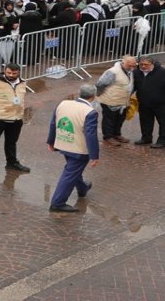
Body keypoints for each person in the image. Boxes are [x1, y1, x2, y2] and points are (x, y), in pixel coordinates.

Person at [46, 84, 100, 213]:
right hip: (78, 149)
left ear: (79, 93)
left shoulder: (63, 104)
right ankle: (57, 202)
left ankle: (82, 188)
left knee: (73, 170)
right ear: (93, 96)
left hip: (63, 143)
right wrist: (94, 155)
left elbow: (54, 123)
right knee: (70, 173)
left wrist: (51, 141)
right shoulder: (90, 112)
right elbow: (91, 135)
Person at [94, 56, 135, 145]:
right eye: (130, 65)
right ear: (123, 63)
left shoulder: (129, 71)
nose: (132, 67)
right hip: (110, 100)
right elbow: (100, 84)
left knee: (120, 119)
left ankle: (116, 134)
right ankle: (108, 136)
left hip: (123, 101)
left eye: (133, 66)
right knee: (109, 120)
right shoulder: (112, 72)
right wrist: (99, 95)